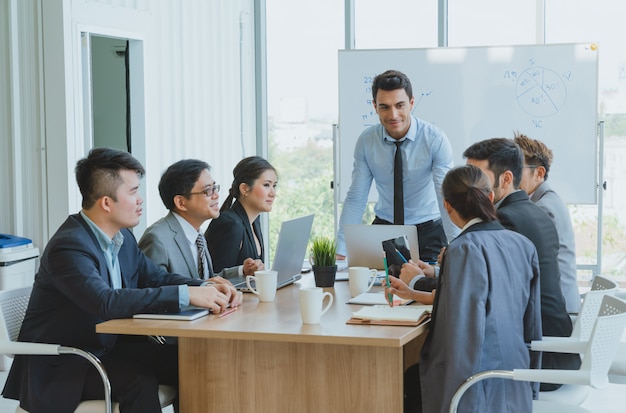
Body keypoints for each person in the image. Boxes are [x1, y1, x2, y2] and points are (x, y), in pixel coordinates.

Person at [2, 148, 242, 413]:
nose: (140, 200)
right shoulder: (69, 247)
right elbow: (104, 301)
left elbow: (154, 277)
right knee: (139, 383)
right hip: (66, 364)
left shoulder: (122, 236)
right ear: (106, 202)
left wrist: (204, 286)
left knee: (188, 362)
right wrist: (185, 295)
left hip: (106, 349)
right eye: (133, 192)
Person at [386, 165, 542, 413]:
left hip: (476, 383)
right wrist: (530, 384)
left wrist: (453, 401)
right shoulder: (523, 245)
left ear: (447, 206)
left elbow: (460, 333)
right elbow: (532, 322)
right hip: (515, 375)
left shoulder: (462, 249)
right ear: (490, 197)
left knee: (403, 380)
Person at [463, 137, 581, 390]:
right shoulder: (534, 211)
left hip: (538, 359)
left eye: (477, 178)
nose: (469, 188)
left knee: (431, 371)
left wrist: (424, 286)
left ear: (505, 179)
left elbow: (483, 293)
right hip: (557, 353)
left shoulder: (506, 220)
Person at [336, 69, 459, 265]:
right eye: (384, 107)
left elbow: (444, 194)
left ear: (411, 103)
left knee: (427, 289)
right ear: (375, 107)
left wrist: (457, 244)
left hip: (428, 232)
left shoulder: (434, 139)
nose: (393, 115)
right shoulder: (367, 141)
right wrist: (341, 249)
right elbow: (356, 196)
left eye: (399, 105)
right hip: (384, 230)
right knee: (377, 290)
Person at [139, 159, 264, 281]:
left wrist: (242, 271)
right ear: (181, 202)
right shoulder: (157, 239)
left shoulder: (197, 235)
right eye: (208, 190)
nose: (216, 195)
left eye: (215, 188)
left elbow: (206, 282)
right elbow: (154, 293)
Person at [514, 132, 580, 313]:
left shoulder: (544, 208)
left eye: (518, 169)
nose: (510, 176)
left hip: (557, 310)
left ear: (539, 173)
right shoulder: (543, 200)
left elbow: (525, 264)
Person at [205, 156, 277, 273]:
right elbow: (216, 279)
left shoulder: (254, 221)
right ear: (244, 189)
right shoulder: (230, 224)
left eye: (274, 186)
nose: (273, 193)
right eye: (266, 185)